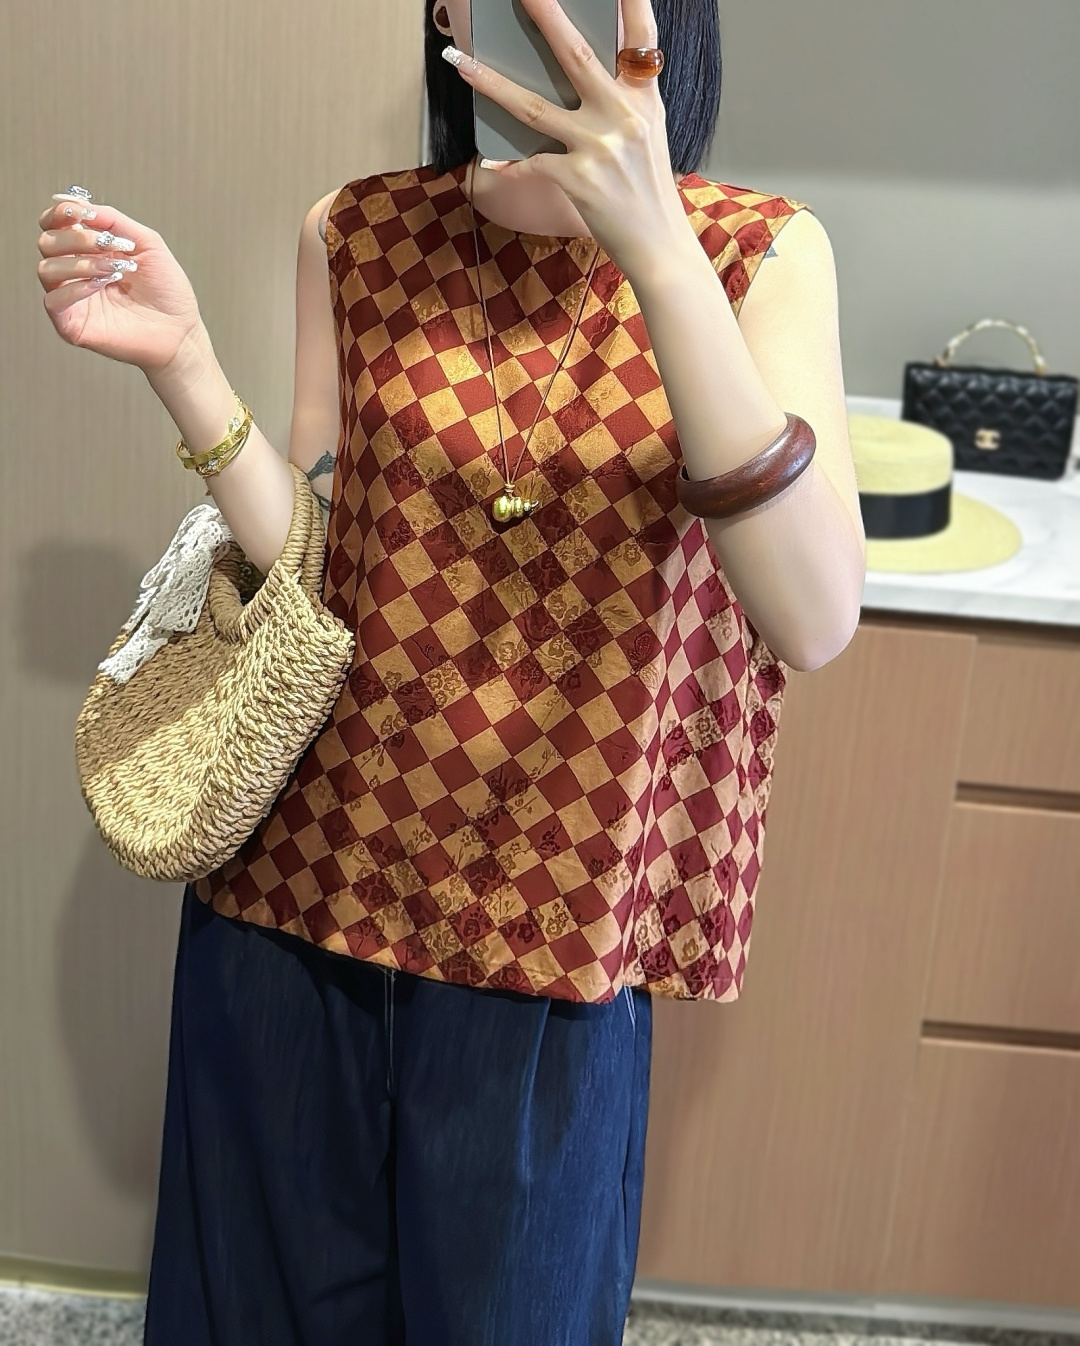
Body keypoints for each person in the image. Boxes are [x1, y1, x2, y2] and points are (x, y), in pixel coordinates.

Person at [36, 0, 866, 1340]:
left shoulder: (755, 253)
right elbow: (321, 565)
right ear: (446, 12)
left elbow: (814, 617)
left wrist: (657, 243)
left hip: (551, 940)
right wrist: (187, 368)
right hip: (295, 903)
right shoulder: (357, 231)